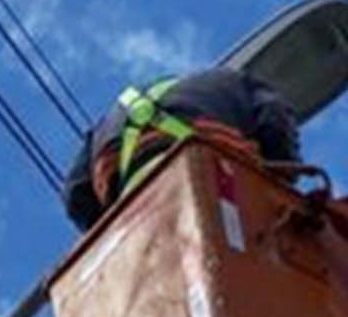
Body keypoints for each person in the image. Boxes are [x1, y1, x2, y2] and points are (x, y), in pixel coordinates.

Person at [61, 64, 301, 232]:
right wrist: (282, 180)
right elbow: (274, 117)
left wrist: (113, 233)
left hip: (133, 216)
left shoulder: (104, 126)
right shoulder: (230, 81)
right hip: (218, 182)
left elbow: (75, 194)